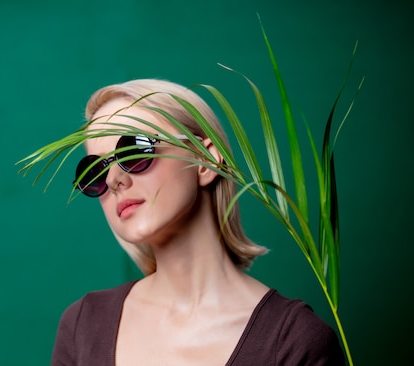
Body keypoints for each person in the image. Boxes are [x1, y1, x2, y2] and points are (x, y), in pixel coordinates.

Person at [50, 79, 344, 365]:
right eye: (96, 171)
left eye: (133, 151)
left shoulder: (295, 341)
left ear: (206, 160)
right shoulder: (83, 326)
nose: (114, 179)